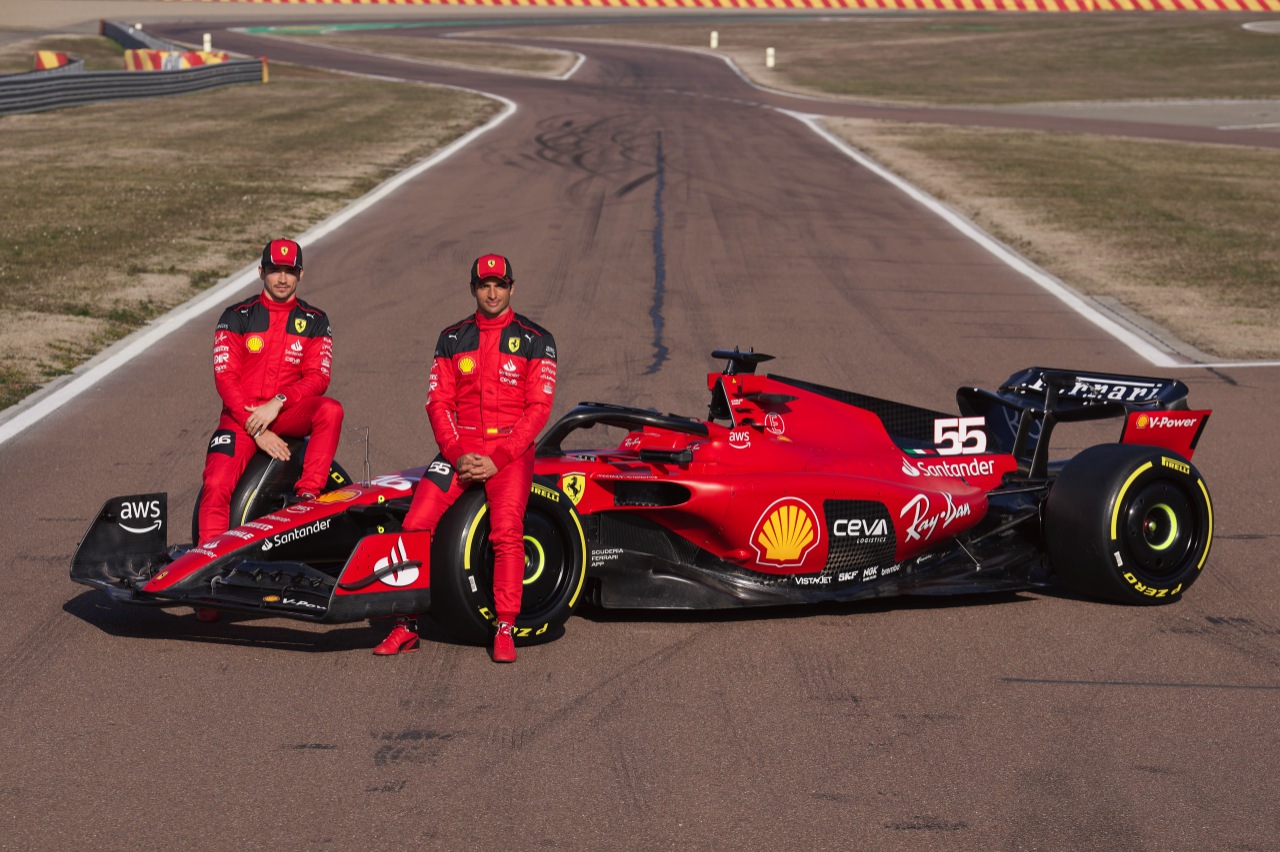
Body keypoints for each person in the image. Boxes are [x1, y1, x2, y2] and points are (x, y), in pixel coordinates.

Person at [375, 253, 557, 662]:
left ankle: (505, 626)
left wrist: (500, 458)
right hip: (460, 448)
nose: (492, 292)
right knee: (414, 523)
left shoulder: (536, 339)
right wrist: (457, 454)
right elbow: (437, 403)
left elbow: (538, 409)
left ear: (512, 287)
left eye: (500, 284)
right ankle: (405, 624)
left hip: (511, 451)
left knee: (507, 532)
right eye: (484, 285)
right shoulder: (452, 338)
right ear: (472, 288)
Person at [198, 238, 344, 547]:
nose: (282, 278)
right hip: (240, 419)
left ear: (300, 274)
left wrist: (279, 402)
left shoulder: (316, 321)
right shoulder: (235, 315)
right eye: (274, 270)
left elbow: (318, 378)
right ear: (260, 271)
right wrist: (256, 428)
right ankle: (207, 559)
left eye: (289, 271)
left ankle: (306, 497)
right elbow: (225, 379)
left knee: (330, 410)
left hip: (285, 414)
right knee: (215, 484)